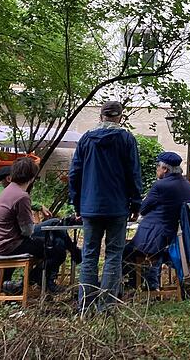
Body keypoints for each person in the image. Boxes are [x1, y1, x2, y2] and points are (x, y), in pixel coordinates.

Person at [69, 101, 143, 313]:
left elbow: (75, 174)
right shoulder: (127, 139)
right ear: (120, 117)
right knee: (113, 255)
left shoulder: (86, 140)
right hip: (117, 207)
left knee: (89, 254)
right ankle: (107, 307)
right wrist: (135, 203)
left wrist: (77, 204)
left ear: (101, 116)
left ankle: (85, 305)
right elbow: (133, 174)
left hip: (90, 208)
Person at [0, 157, 66, 292]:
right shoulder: (22, 196)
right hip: (11, 245)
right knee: (58, 248)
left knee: (52, 235)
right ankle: (33, 280)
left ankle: (37, 281)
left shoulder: (7, 190)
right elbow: (27, 231)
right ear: (32, 177)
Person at [124, 151, 190, 290]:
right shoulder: (187, 185)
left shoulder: (161, 186)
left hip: (155, 238)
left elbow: (143, 209)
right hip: (175, 237)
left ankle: (132, 285)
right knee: (137, 251)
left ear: (165, 169)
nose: (157, 169)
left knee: (124, 252)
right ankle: (149, 283)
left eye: (158, 167)